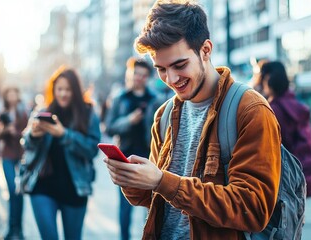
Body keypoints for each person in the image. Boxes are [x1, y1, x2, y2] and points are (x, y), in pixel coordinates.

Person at [103, 1, 282, 239]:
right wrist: (131, 180)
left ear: (206, 50)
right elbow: (153, 199)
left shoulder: (250, 109)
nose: (172, 78)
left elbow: (253, 209)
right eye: (161, 69)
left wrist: (162, 181)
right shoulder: (164, 114)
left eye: (180, 65)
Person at [21, 67, 101, 240]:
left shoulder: (88, 114)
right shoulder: (42, 112)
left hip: (75, 189)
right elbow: (26, 143)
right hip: (42, 186)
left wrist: (64, 134)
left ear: (75, 90)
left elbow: (92, 149)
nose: (63, 93)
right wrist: (33, 135)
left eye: (68, 89)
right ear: (53, 90)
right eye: (60, 89)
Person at [104, 57, 160, 240]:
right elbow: (110, 126)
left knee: (151, 205)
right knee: (125, 206)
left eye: (144, 75)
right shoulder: (120, 98)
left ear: (148, 77)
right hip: (125, 158)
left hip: (149, 156)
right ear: (130, 74)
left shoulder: (155, 99)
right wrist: (129, 121)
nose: (139, 78)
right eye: (136, 74)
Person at [258, 61, 311, 197]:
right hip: (297, 172)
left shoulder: (273, 110)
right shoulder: (295, 105)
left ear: (269, 80)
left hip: (281, 178)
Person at [0, 87, 28, 240]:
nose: (12, 96)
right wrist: (6, 129)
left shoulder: (23, 112)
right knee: (12, 190)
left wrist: (18, 132)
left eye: (15, 93)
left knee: (19, 192)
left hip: (21, 155)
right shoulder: (1, 113)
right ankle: (11, 227)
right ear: (6, 96)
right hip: (7, 155)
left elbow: (28, 133)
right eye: (9, 94)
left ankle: (18, 229)